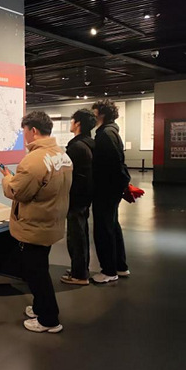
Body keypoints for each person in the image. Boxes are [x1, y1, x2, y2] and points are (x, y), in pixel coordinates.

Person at [0, 111, 73, 333]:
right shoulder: (62, 154)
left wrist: (7, 178)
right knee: (39, 267)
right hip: (51, 221)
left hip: (35, 226)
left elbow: (17, 191)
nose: (23, 135)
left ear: (33, 130)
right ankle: (40, 307)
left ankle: (49, 319)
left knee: (37, 273)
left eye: (24, 131)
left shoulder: (33, 161)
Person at [91, 99, 131, 284]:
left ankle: (109, 270)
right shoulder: (111, 132)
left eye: (94, 111)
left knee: (104, 229)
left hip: (106, 189)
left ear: (101, 113)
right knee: (112, 226)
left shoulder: (105, 134)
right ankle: (120, 266)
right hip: (111, 189)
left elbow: (113, 163)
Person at [61, 108, 96, 286]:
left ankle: (79, 274)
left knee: (76, 235)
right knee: (81, 232)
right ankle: (80, 270)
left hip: (76, 196)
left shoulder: (76, 147)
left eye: (72, 120)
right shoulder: (91, 143)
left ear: (78, 124)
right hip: (86, 195)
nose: (71, 123)